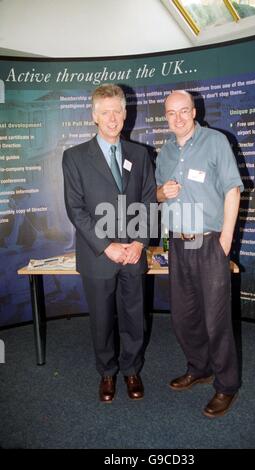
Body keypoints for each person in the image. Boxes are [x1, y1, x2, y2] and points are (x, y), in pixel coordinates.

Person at [62, 84, 156, 403]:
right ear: (94, 115)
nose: (112, 118)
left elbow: (147, 202)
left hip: (133, 253)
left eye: (117, 110)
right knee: (102, 318)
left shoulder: (141, 155)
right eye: (105, 112)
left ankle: (131, 369)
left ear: (126, 114)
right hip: (98, 255)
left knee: (134, 316)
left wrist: (140, 243)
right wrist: (107, 246)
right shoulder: (74, 158)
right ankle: (107, 372)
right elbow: (76, 210)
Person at [155, 90, 244, 418]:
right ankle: (199, 367)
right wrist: (161, 193)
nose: (177, 118)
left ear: (194, 112)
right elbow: (158, 197)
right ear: (165, 116)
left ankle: (226, 385)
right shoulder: (163, 152)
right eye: (170, 113)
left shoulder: (215, 142)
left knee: (216, 319)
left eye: (183, 111)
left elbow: (232, 191)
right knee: (184, 316)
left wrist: (225, 241)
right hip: (178, 244)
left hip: (209, 243)